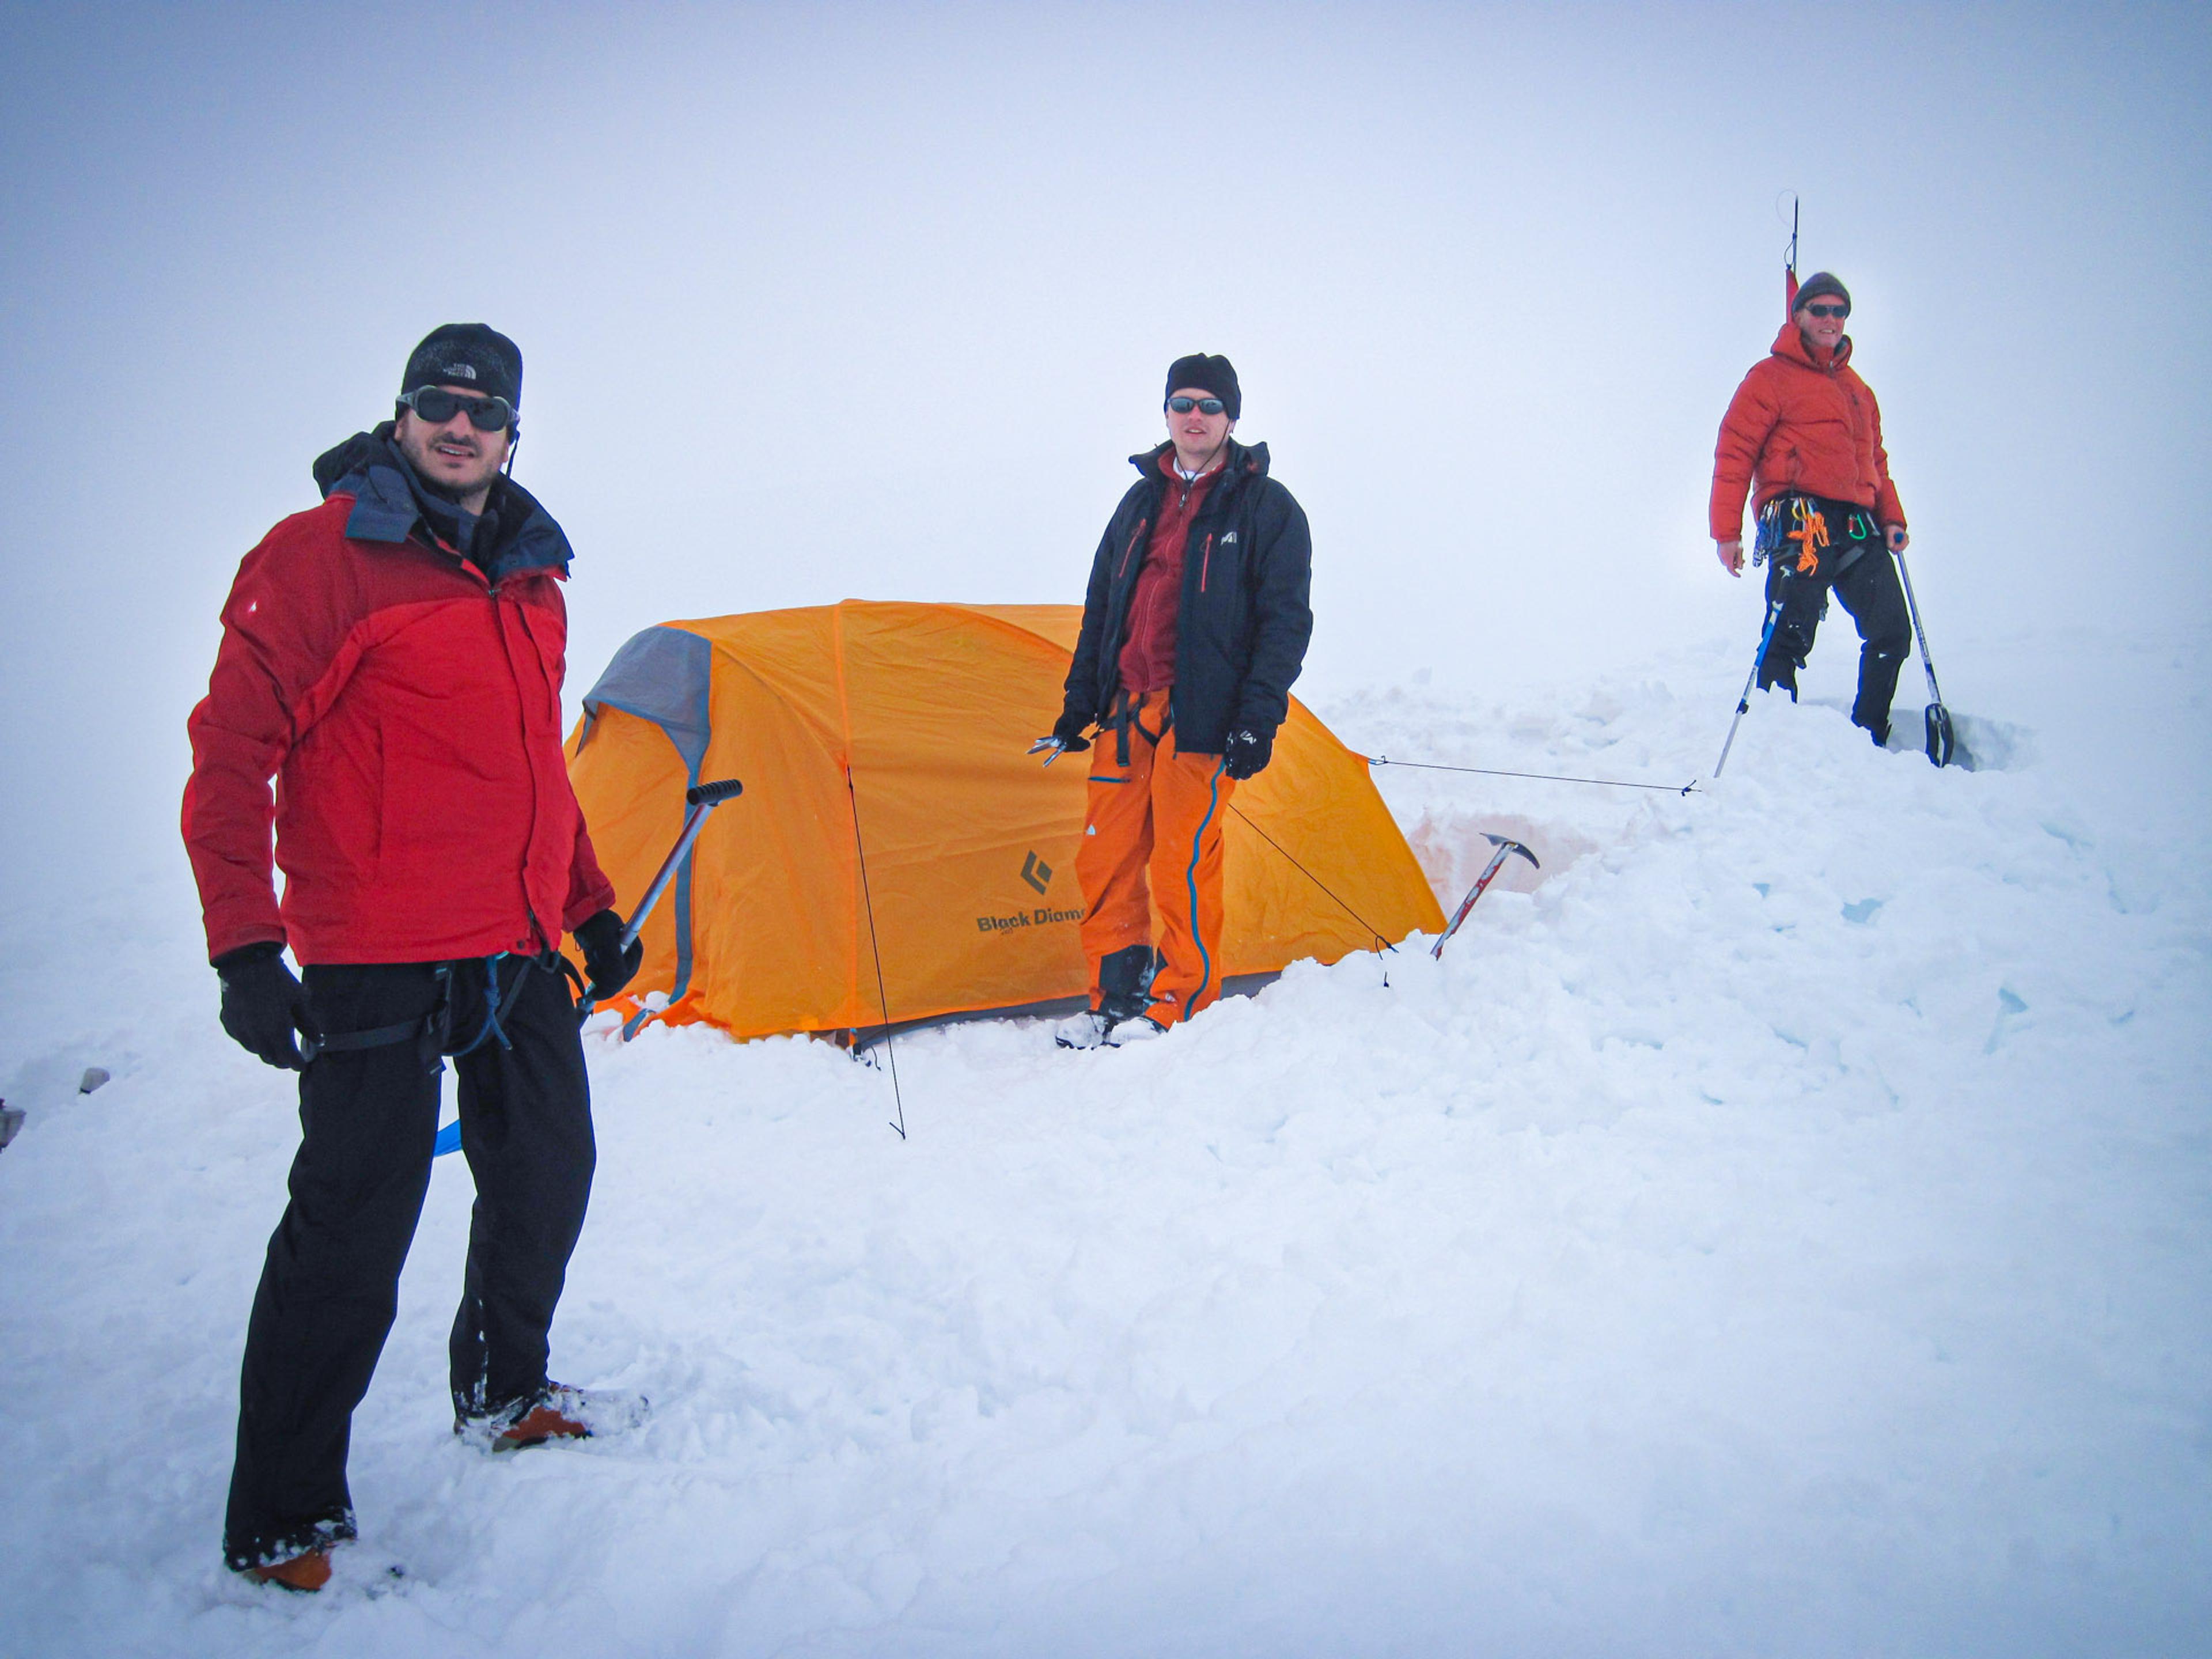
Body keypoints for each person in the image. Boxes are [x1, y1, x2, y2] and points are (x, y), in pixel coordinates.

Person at [181, 324, 643, 1591]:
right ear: (400, 418)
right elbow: (230, 754)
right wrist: (244, 945)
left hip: (508, 944)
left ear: (511, 434)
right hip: (374, 953)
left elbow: (535, 772)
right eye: (437, 404)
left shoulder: (530, 578)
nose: (459, 426)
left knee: (548, 1170)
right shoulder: (317, 558)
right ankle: (281, 1518)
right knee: (352, 1229)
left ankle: (504, 1389)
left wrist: (589, 906)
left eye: (483, 411)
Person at [1035, 353, 1313, 1048]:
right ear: (1166, 412)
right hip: (1128, 709)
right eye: (1183, 403)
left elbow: (1285, 623)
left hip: (1204, 716)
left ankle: (1178, 1001)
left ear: (1232, 418)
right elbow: (1103, 607)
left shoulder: (1266, 509)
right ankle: (1114, 998)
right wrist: (1078, 706)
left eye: (1210, 406)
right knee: (1106, 857)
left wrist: (1257, 719)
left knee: (1179, 859)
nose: (1195, 416)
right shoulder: (1138, 503)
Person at [1710, 272, 1914, 743]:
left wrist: (1893, 518)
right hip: (1801, 515)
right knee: (1789, 629)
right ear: (1798, 315)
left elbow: (1875, 459)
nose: (1830, 319)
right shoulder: (1770, 377)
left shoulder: (1858, 390)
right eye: (1819, 310)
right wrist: (1727, 532)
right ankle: (1772, 739)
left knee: (1891, 632)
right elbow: (1735, 450)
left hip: (1859, 523)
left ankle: (1870, 738)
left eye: (1838, 311)